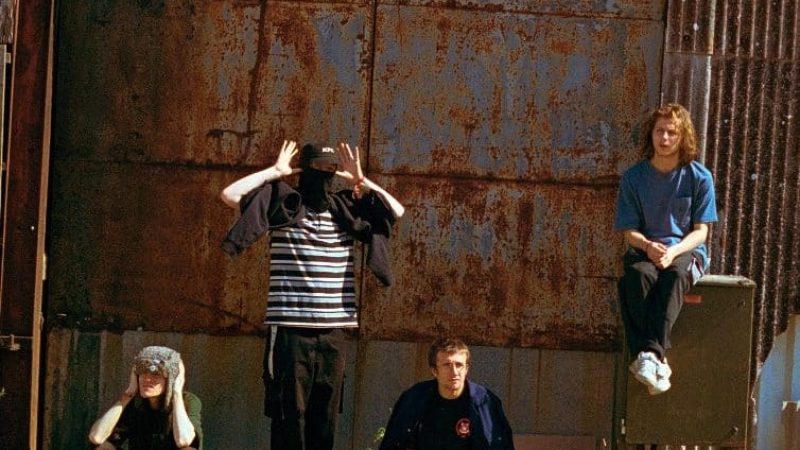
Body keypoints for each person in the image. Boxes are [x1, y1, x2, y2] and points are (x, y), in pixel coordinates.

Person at [219, 140, 404, 450]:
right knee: (287, 415)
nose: (325, 175)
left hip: (334, 332)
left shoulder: (347, 210)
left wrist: (361, 181)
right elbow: (229, 195)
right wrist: (275, 172)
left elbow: (396, 211)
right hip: (290, 331)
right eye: (318, 168)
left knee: (325, 418)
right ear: (304, 171)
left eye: (331, 170)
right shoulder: (283, 204)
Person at [615, 103, 718, 395]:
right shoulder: (634, 178)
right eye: (660, 131)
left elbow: (701, 232)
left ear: (682, 137)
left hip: (687, 252)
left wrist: (673, 252)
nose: (664, 138)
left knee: (674, 277)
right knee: (635, 277)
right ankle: (655, 360)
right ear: (650, 134)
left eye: (672, 132)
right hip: (646, 249)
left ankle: (648, 356)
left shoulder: (700, 178)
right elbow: (628, 232)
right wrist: (648, 246)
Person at [379, 338, 515, 450]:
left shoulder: (485, 403)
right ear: (434, 371)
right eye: (447, 365)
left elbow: (502, 445)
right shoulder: (414, 399)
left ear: (467, 368)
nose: (454, 372)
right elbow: (392, 443)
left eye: (459, 365)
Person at [88, 346, 202, 450]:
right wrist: (128, 395)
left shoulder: (188, 401)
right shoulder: (135, 403)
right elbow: (96, 437)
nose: (147, 379)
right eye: (143, 373)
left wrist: (176, 392)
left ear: (170, 380)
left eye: (156, 375)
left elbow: (184, 440)